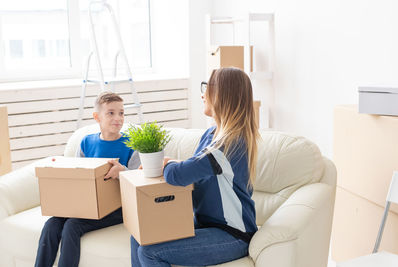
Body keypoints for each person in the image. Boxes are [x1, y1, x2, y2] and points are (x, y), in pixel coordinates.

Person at [130, 67, 260, 267]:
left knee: (150, 252)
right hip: (206, 224)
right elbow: (190, 172)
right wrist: (171, 166)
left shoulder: (230, 145)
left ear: (222, 95)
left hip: (233, 234)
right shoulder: (210, 135)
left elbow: (179, 175)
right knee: (141, 234)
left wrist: (169, 164)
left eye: (208, 87)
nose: (203, 93)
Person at [35, 92, 140, 267]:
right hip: (87, 205)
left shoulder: (131, 144)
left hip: (118, 208)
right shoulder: (86, 142)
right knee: (52, 223)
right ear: (97, 117)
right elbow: (78, 177)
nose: (118, 118)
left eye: (121, 113)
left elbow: (139, 181)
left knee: (72, 226)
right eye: (111, 113)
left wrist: (122, 171)